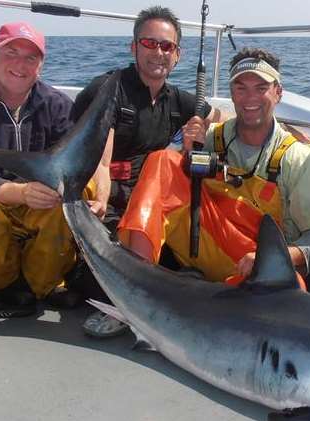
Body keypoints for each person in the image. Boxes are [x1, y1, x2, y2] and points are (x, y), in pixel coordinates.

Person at [118, 47, 310, 289]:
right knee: (161, 161)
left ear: (278, 93)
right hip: (202, 243)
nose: (250, 98)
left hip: (254, 264)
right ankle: (134, 285)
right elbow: (162, 188)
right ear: (231, 93)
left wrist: (279, 257)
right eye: (241, 88)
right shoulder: (211, 137)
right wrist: (187, 152)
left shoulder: (298, 157)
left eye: (261, 88)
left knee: (292, 286)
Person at [70, 6, 221, 336]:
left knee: (185, 266)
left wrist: (202, 130)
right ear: (133, 47)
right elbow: (99, 159)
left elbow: (217, 115)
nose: (158, 53)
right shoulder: (107, 89)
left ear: (178, 55)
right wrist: (101, 195)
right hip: (103, 200)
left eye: (166, 46)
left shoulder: (177, 100)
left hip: (147, 205)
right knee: (99, 281)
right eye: (149, 43)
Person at [0, 21, 110, 318]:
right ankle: (0, 284)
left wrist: (102, 193)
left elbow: (86, 159)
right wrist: (18, 192)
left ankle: (42, 285)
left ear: (41, 66)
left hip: (42, 201)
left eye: (31, 57)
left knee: (76, 193)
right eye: (11, 52)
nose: (20, 64)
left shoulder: (58, 105)